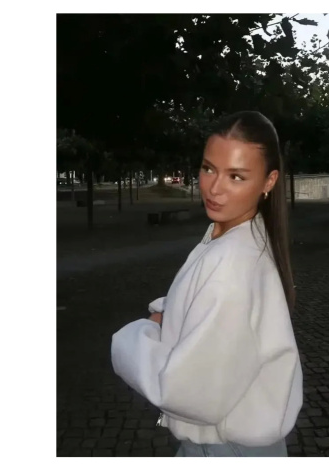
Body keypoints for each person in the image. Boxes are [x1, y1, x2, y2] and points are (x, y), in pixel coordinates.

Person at [111, 111, 303, 457]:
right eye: (208, 168)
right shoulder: (234, 237)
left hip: (224, 449)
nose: (214, 188)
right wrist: (172, 312)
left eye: (236, 176)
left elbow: (190, 393)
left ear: (269, 181)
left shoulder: (233, 261)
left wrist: (136, 336)